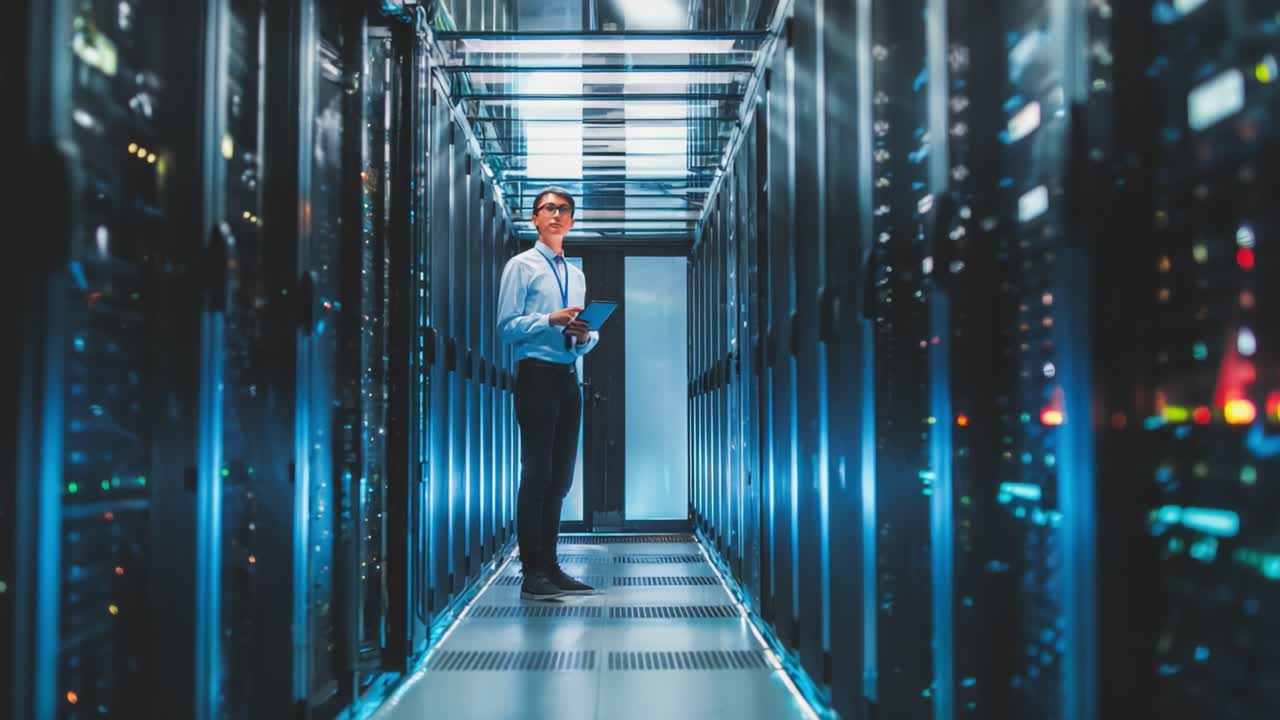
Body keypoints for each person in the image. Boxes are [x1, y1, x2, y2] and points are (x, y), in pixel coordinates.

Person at [496, 186, 599, 600]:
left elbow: (584, 336)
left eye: (564, 210)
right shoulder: (521, 267)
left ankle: (552, 567)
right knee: (536, 473)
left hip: (567, 376)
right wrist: (548, 319)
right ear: (534, 218)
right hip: (535, 375)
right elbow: (506, 326)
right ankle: (531, 572)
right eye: (548, 209)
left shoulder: (576, 274)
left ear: (572, 221)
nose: (556, 215)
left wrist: (585, 335)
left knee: (561, 478)